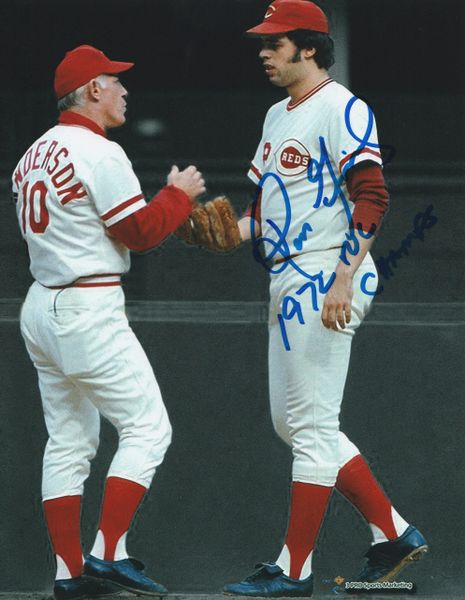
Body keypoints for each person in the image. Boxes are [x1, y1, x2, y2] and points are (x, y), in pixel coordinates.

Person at [223, 1, 427, 596]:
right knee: (294, 424)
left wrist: (343, 277)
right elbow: (263, 212)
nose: (263, 51)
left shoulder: (343, 107)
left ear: (308, 46)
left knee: (311, 425)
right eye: (262, 42)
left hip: (327, 269)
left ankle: (293, 569)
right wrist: (218, 232)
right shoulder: (275, 115)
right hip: (287, 273)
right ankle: (393, 533)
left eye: (274, 41)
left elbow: (373, 196)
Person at [12, 45, 205, 600]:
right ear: (92, 89)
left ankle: (69, 574)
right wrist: (178, 195)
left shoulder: (32, 153)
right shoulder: (99, 150)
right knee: (149, 428)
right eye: (115, 82)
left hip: (42, 302)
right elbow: (139, 234)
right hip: (87, 307)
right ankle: (106, 553)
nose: (124, 91)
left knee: (68, 443)